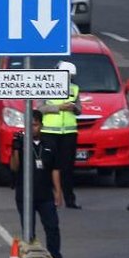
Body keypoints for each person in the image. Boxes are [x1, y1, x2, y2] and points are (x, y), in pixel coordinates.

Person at [11, 110, 64, 258]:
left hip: (45, 193)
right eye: (29, 125)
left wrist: (58, 191)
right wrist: (15, 149)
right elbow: (14, 168)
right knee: (29, 230)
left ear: (41, 125)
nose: (32, 128)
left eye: (35, 125)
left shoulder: (49, 144)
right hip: (25, 195)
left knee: (52, 226)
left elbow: (55, 168)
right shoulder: (22, 143)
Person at [38, 60, 82, 208]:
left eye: (70, 77)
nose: (69, 80)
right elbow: (40, 108)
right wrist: (59, 107)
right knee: (47, 166)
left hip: (69, 132)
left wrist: (74, 107)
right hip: (50, 132)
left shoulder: (75, 89)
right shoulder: (47, 86)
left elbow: (80, 109)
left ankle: (70, 200)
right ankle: (49, 197)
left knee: (68, 167)